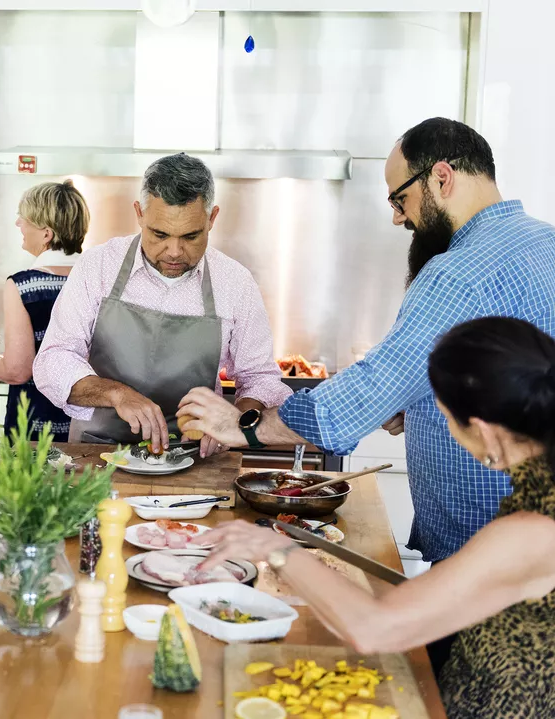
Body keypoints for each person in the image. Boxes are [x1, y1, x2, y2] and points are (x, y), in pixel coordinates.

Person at [177, 117, 555, 674]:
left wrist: (247, 428)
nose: (398, 215)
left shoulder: (457, 273)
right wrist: (419, 399)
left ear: (443, 177)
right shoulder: (544, 242)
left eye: (400, 198)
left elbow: (360, 396)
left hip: (487, 544)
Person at [194, 316, 555, 719]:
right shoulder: (537, 493)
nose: (443, 431)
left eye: (442, 418)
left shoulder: (531, 532)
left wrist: (276, 548)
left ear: (485, 432)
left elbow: (376, 629)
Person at [32, 152, 290, 457]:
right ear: (139, 213)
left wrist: (237, 422)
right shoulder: (98, 266)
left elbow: (259, 378)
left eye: (191, 236)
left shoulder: (235, 283)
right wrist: (116, 394)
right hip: (96, 454)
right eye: (159, 234)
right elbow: (52, 360)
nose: (174, 251)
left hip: (194, 459)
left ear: (212, 218)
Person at [0, 180, 90, 441]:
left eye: (24, 219)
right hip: (89, 428)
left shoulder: (23, 285)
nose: (18, 224)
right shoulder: (101, 281)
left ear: (46, 234)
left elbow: (18, 369)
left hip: (37, 430)